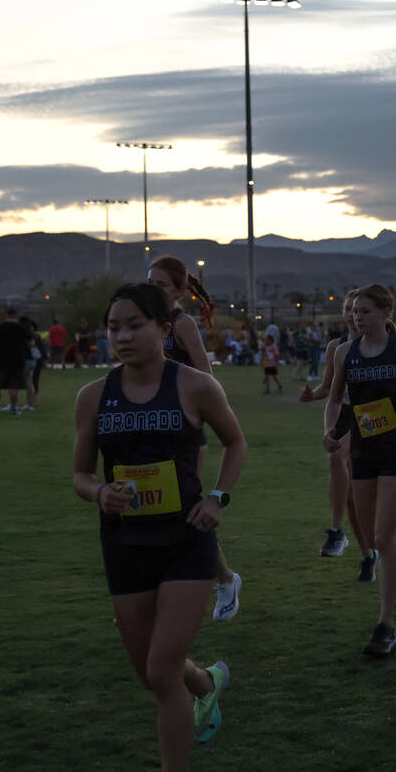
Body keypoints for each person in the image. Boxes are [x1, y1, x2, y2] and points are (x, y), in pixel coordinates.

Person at [72, 282, 247, 770]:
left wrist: (217, 497)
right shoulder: (93, 397)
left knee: (161, 669)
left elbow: (235, 443)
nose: (122, 337)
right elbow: (81, 475)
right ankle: (207, 682)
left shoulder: (195, 386)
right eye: (113, 328)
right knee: (151, 673)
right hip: (125, 545)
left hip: (186, 543)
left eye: (134, 325)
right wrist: (98, 493)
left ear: (164, 329)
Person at [323, 283, 396, 657]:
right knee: (378, 537)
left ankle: (386, 625)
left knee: (382, 535)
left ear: (386, 313)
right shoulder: (345, 353)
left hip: (395, 450)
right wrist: (331, 433)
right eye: (355, 311)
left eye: (366, 311)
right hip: (363, 450)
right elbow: (338, 398)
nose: (358, 317)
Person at [148, 254, 242, 622]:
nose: (152, 289)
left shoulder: (180, 324)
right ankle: (153, 592)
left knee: (186, 509)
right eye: (149, 282)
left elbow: (205, 372)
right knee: (151, 508)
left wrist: (191, 403)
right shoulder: (146, 320)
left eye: (160, 285)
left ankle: (224, 579)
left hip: (184, 426)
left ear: (178, 291)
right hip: (149, 423)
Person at [300, 292, 374, 571]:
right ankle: (375, 553)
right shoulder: (337, 347)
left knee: (336, 458)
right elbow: (329, 388)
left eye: (357, 309)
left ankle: (336, 530)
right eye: (347, 308)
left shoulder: (380, 346)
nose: (352, 314)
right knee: (353, 499)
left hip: (372, 418)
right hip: (344, 415)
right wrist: (312, 394)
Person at [0, 308, 31, 415]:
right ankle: (13, 408)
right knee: (14, 385)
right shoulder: (21, 328)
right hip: (18, 360)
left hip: (2, 359)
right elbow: (31, 342)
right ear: (16, 315)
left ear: (6, 315)